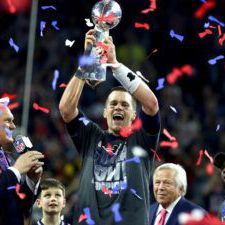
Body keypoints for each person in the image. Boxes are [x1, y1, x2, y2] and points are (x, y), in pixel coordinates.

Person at [59, 29, 160, 225]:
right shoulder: (91, 136)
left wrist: (114, 64)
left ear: (133, 115)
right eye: (113, 104)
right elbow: (66, 108)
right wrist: (86, 63)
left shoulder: (143, 139)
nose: (118, 107)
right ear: (105, 112)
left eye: (125, 105)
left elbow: (152, 104)